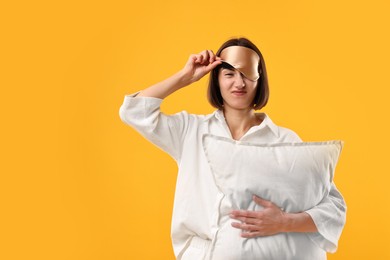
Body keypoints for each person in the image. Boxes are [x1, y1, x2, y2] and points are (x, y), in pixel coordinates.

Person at [119, 37, 346, 259]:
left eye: (247, 75)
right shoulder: (190, 131)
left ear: (259, 81)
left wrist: (284, 221)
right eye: (229, 74)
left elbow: (333, 206)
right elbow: (134, 111)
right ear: (216, 80)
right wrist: (185, 77)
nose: (239, 83)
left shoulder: (284, 139)